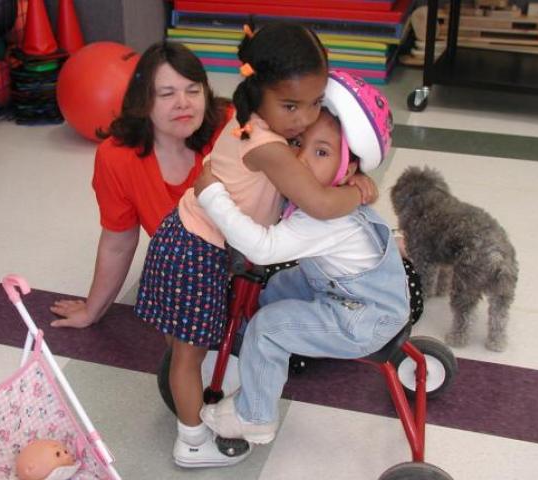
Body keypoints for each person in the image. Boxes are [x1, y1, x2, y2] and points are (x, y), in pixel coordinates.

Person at [134, 24, 378, 468]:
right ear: (258, 89)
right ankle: (191, 442)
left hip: (192, 239)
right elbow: (321, 202)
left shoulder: (252, 119)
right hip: (196, 249)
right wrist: (359, 191)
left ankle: (195, 403)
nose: (304, 118)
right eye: (291, 105)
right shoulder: (268, 146)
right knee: (186, 357)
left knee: (186, 350)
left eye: (315, 103)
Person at [196, 82, 409, 445]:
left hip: (362, 318)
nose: (302, 160)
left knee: (268, 326)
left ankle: (255, 417)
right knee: (279, 286)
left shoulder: (323, 219)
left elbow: (263, 249)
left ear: (347, 167)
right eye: (297, 145)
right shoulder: (334, 192)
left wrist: (213, 196)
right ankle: (255, 355)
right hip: (349, 290)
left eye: (322, 152)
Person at [49, 42, 231, 329]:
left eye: (193, 91)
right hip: (192, 275)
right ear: (143, 101)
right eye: (167, 94)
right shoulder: (117, 158)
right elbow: (118, 242)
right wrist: (92, 310)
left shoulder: (230, 128)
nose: (184, 102)